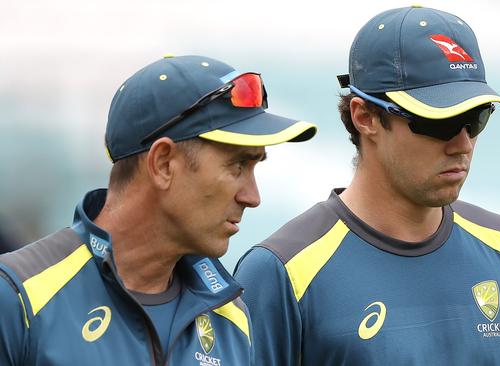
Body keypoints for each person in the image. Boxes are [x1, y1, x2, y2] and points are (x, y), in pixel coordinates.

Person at [235, 6, 500, 365]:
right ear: (365, 117)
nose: (463, 143)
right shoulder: (281, 272)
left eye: (475, 119)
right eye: (439, 121)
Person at [0, 55, 316, 365]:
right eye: (237, 166)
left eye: (254, 167)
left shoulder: (231, 319)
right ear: (163, 163)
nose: (252, 197)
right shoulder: (18, 296)